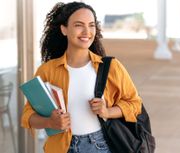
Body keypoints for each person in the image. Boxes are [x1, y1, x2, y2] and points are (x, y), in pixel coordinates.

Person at [21, 1, 142, 153]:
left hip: (100, 146)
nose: (87, 31)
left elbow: (135, 104)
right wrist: (50, 122)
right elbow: (28, 115)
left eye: (91, 25)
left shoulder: (111, 67)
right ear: (64, 29)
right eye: (79, 25)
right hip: (60, 148)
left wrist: (107, 112)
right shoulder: (47, 70)